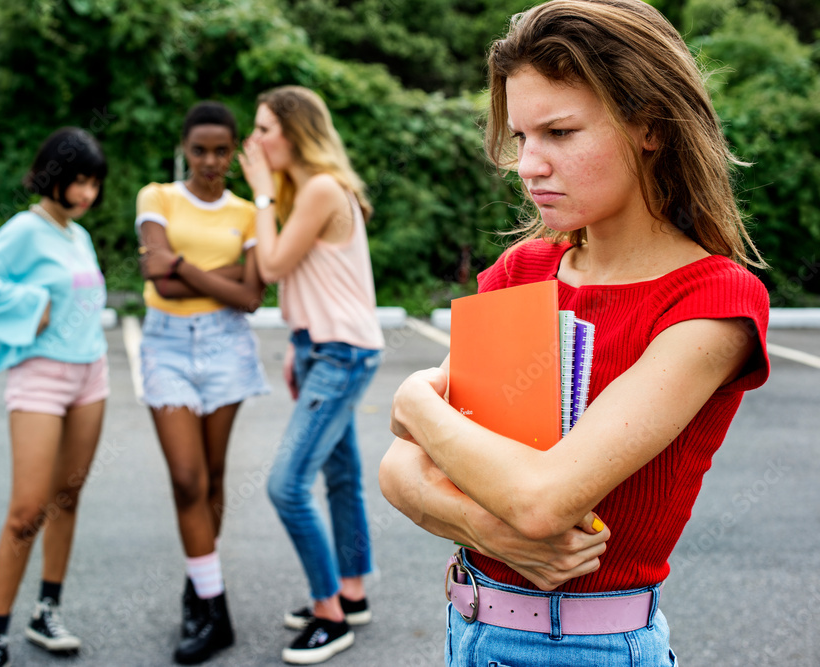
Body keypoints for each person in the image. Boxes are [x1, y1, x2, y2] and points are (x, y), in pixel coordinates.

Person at [379, 1, 771, 664]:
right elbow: (398, 471)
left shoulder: (713, 301)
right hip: (466, 628)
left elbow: (541, 499)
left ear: (649, 125)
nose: (529, 164)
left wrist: (413, 402)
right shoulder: (523, 269)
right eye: (523, 137)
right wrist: (485, 529)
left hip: (590, 645)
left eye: (559, 133)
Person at [0, 127, 110, 667]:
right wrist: (30, 303)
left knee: (68, 499)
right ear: (53, 175)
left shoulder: (78, 235)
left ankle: (47, 613)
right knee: (26, 512)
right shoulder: (25, 229)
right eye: (78, 181)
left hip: (92, 376)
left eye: (94, 183)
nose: (87, 193)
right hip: (40, 378)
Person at [237, 85, 384, 665]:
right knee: (341, 477)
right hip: (324, 350)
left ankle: (329, 616)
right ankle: (350, 593)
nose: (255, 141)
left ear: (294, 133)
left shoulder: (320, 188)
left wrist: (260, 196)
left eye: (264, 128)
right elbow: (307, 283)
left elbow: (272, 266)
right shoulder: (312, 189)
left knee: (286, 484)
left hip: (342, 355)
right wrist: (299, 345)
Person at [135, 101, 270, 665]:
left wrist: (183, 266)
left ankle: (198, 582)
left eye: (221, 150)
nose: (210, 161)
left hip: (226, 347)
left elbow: (253, 296)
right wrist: (223, 277)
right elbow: (156, 280)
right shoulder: (157, 196)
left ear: (234, 151)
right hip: (166, 346)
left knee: (214, 477)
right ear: (184, 149)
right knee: (188, 480)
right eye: (200, 150)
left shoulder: (246, 211)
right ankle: (216, 611)